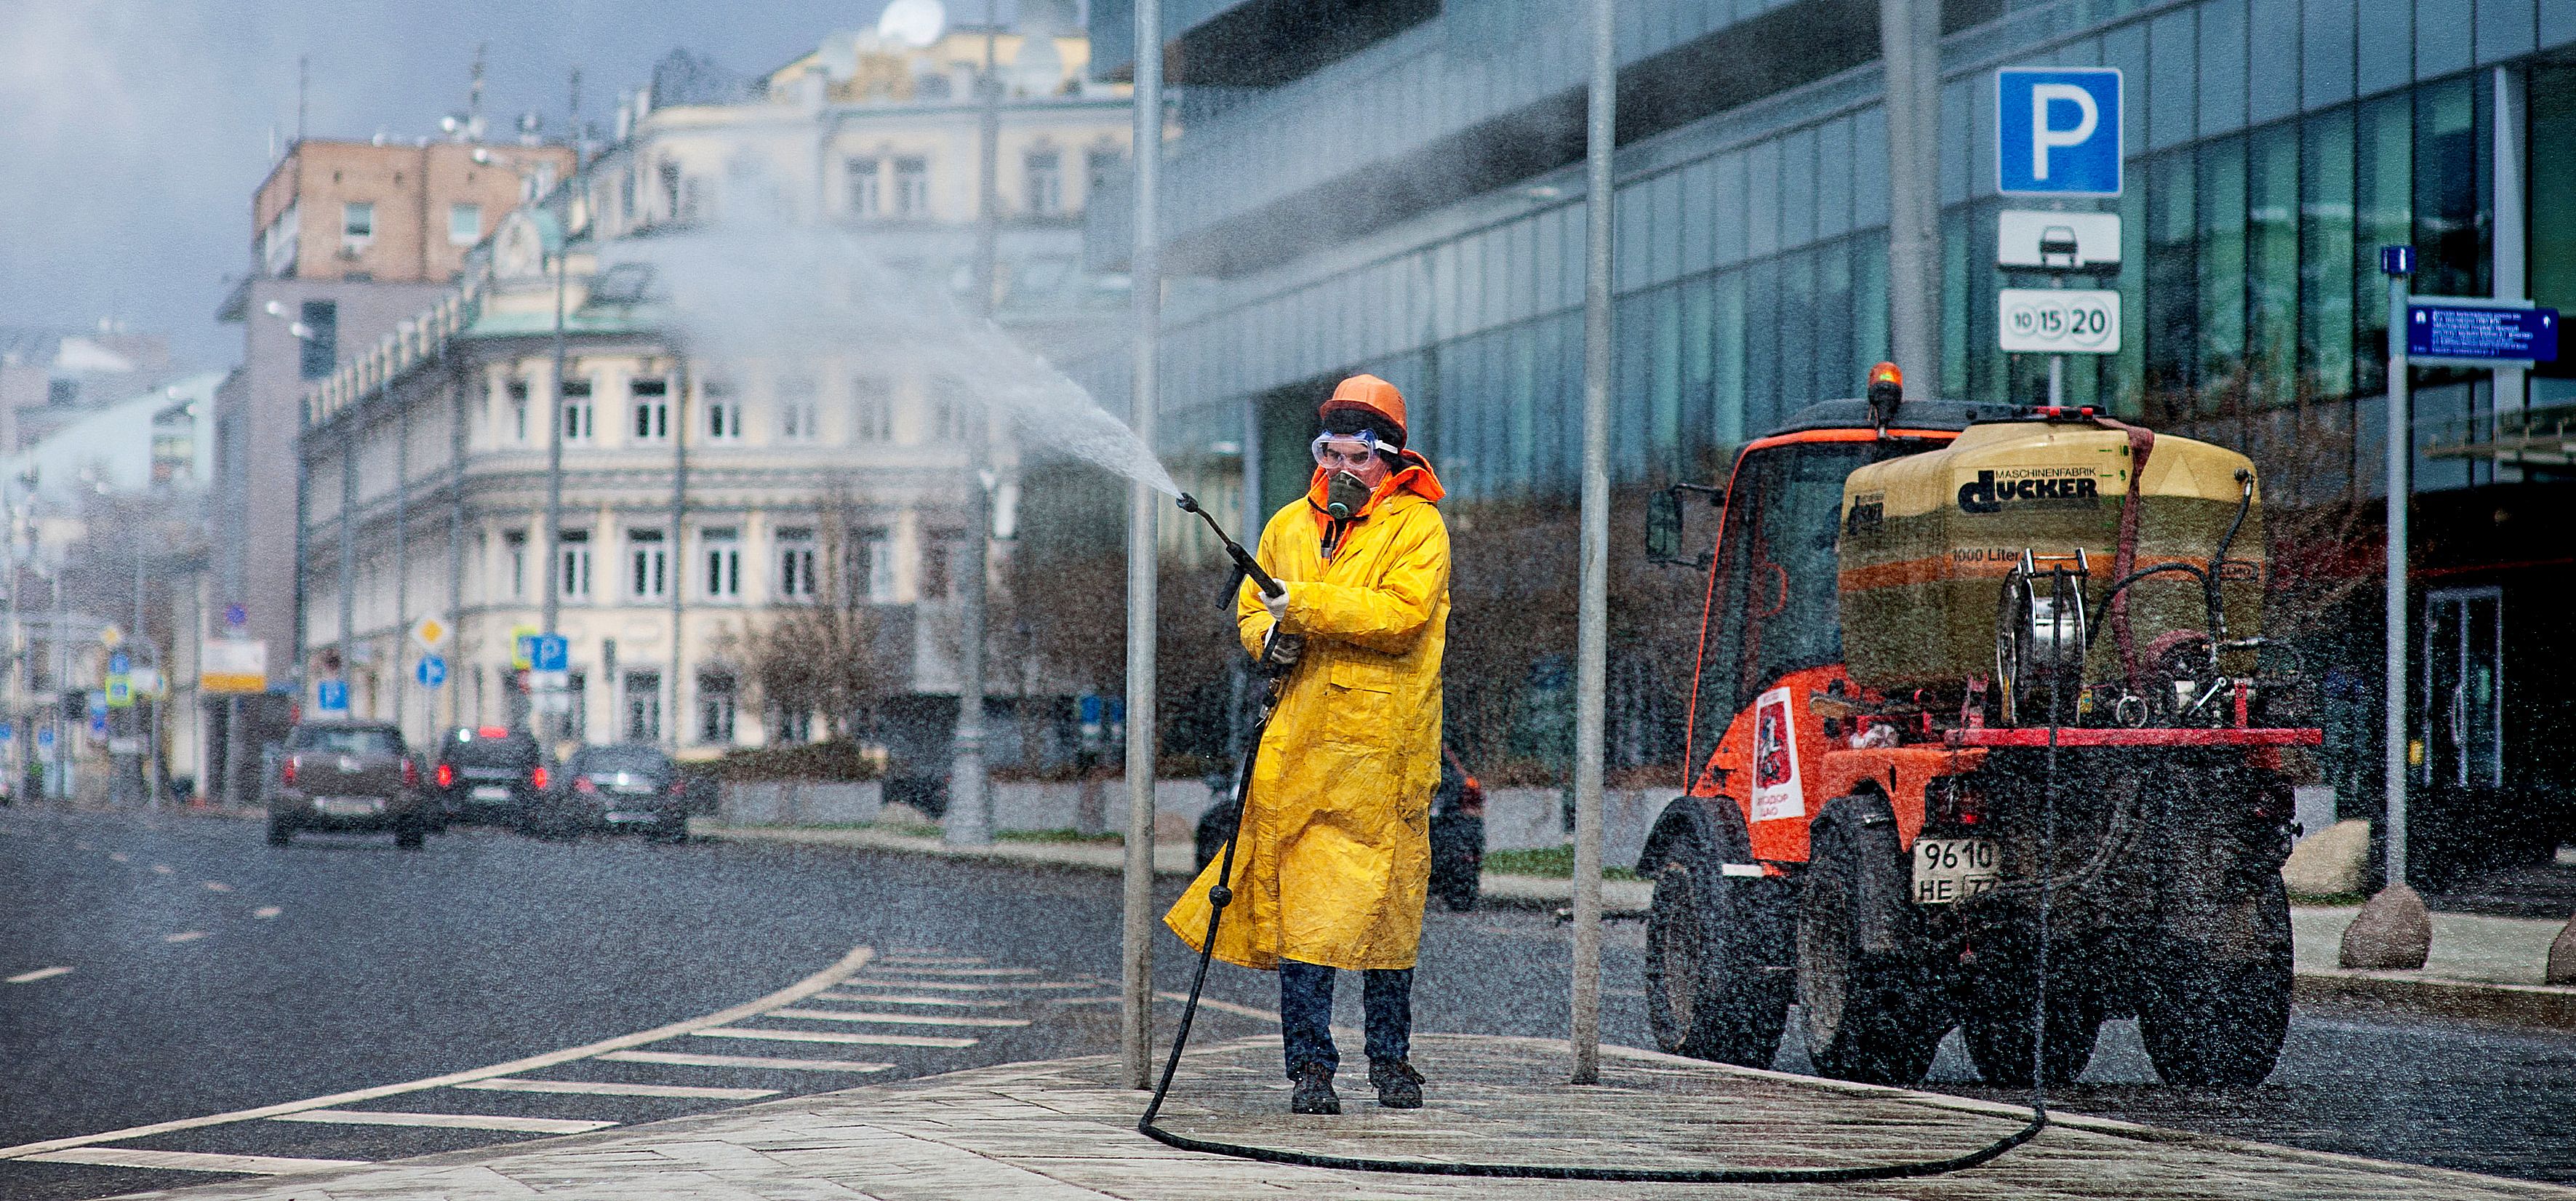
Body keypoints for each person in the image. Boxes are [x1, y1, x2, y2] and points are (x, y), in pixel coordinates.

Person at [1165, 373, 1452, 1116]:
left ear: (1389, 458)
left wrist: (1308, 606)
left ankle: (1390, 1062)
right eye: (1331, 454)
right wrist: (1270, 642)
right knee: (1307, 926)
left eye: (1359, 457)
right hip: (1301, 756)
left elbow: (1401, 615)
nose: (1342, 470)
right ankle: (1309, 1070)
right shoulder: (1287, 526)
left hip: (1381, 759)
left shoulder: (1417, 530)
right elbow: (1252, 613)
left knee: (1384, 925)